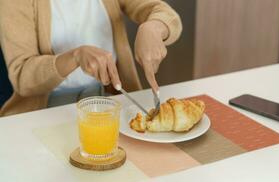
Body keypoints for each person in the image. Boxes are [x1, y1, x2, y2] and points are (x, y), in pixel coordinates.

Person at [0, 0, 182, 116]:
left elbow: (161, 11)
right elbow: (22, 76)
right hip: (46, 109)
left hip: (108, 100)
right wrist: (74, 57)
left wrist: (153, 27)